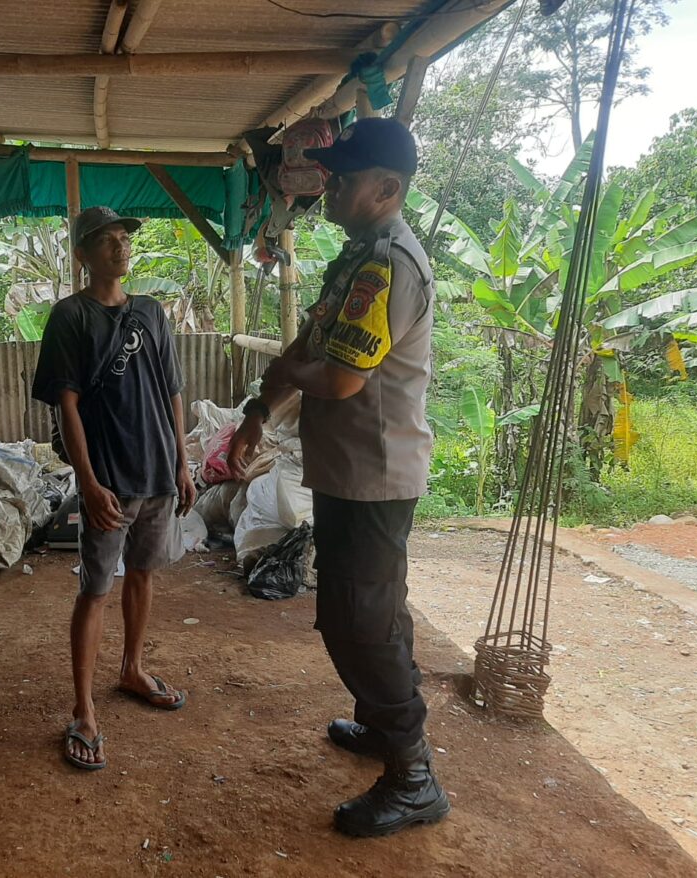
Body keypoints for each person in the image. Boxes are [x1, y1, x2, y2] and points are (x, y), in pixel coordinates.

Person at [227, 118, 448, 837]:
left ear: (386, 189)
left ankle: (413, 777)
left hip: (373, 476)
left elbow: (341, 378)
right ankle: (385, 730)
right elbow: (310, 343)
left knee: (362, 620)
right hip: (351, 471)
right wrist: (262, 408)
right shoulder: (358, 258)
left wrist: (291, 375)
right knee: (368, 611)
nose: (331, 189)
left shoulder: (388, 264)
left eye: (345, 180)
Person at [32, 206, 196, 772]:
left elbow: (173, 391)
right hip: (109, 480)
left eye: (124, 238)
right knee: (96, 589)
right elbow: (67, 405)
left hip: (157, 473)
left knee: (143, 574)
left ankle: (132, 668)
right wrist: (88, 481)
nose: (120, 247)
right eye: (106, 240)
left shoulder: (151, 312)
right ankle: (83, 710)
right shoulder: (70, 317)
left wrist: (182, 463)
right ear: (82, 254)